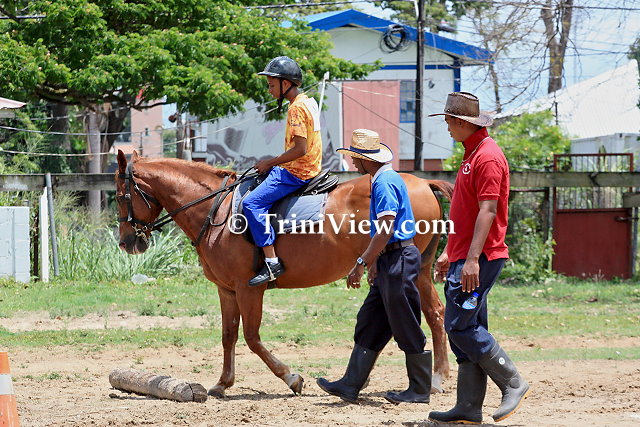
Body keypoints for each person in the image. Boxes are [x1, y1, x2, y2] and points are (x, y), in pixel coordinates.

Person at [427, 92, 530, 424]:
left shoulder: (487, 157)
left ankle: (512, 381)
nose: (447, 127)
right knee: (470, 326)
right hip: (465, 255)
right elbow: (465, 210)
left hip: (481, 257)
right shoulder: (472, 154)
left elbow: (488, 211)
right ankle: (469, 407)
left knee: (458, 326)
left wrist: (471, 260)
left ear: (462, 122)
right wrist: (450, 252)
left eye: (448, 121)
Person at [316, 129, 431, 404]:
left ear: (367, 159)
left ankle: (419, 390)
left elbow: (386, 228)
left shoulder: (384, 183)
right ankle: (350, 384)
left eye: (355, 157)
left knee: (405, 322)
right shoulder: (381, 180)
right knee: (370, 320)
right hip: (390, 259)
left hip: (399, 259)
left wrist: (361, 262)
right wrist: (377, 261)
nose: (353, 162)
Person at [244, 56, 323, 287]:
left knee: (251, 203)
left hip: (296, 171)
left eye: (271, 85)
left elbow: (300, 149)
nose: (269, 90)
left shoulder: (296, 108)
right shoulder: (307, 101)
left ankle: (271, 262)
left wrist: (270, 163)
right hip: (311, 166)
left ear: (285, 83)